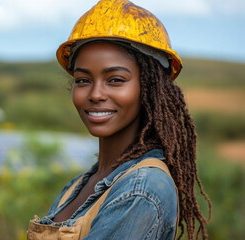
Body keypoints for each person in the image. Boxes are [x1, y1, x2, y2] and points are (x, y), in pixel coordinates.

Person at [27, 0, 211, 239]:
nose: (95, 94)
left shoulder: (141, 189)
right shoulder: (79, 185)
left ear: (149, 88)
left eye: (115, 80)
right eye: (83, 80)